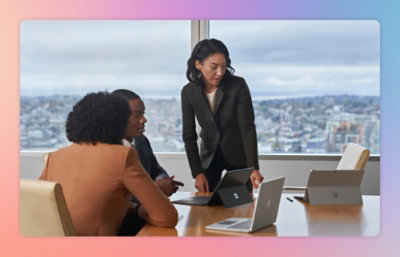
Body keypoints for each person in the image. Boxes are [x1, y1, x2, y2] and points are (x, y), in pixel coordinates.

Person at [39, 92, 178, 236]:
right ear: (117, 122)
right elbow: (167, 217)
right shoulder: (122, 156)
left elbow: (40, 205)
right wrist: (139, 210)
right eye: (136, 115)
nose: (143, 120)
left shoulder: (55, 157)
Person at [181, 38, 264, 192]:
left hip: (238, 157)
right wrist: (197, 173)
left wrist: (253, 167)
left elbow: (247, 128)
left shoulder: (238, 85)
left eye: (224, 66)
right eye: (214, 67)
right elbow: (189, 136)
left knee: (241, 208)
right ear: (198, 64)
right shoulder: (188, 92)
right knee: (207, 210)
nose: (220, 72)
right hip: (208, 158)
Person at [111, 89, 183, 235]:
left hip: (148, 218)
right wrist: (155, 189)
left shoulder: (141, 141)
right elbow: (113, 199)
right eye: (137, 115)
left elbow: (156, 169)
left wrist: (161, 180)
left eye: (144, 114)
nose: (144, 119)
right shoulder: (108, 152)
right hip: (124, 227)